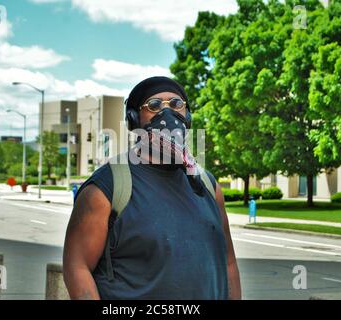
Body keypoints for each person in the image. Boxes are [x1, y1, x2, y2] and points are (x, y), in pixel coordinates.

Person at [63, 76, 241, 300]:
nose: (167, 114)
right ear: (134, 120)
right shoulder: (107, 187)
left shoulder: (208, 185)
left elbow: (228, 262)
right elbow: (77, 266)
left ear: (188, 116)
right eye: (154, 106)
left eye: (177, 104)